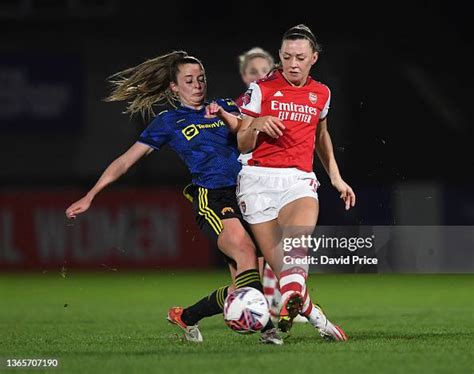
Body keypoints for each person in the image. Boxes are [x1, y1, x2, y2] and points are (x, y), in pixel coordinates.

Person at [65, 51, 282, 345]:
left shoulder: (226, 108)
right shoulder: (169, 121)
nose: (197, 85)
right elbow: (126, 161)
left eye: (201, 79)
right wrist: (91, 195)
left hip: (248, 194)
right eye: (189, 80)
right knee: (244, 250)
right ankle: (268, 329)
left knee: (243, 284)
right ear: (174, 87)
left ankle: (187, 316)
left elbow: (256, 126)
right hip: (212, 196)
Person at [235, 24, 355, 340]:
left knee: (296, 247)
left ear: (313, 57)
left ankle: (291, 305)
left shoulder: (322, 93)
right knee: (289, 276)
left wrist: (336, 177)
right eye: (287, 56)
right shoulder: (260, 89)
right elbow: (242, 143)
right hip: (256, 184)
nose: (293, 63)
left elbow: (321, 135)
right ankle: (319, 320)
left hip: (298, 181)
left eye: (300, 57)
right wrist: (257, 123)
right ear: (280, 56)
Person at [236, 46, 307, 324]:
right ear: (244, 75)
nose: (260, 75)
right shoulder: (242, 103)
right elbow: (239, 138)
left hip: (281, 178)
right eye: (253, 71)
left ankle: (280, 300)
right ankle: (268, 303)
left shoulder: (284, 96)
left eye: (264, 70)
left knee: (283, 242)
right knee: (259, 250)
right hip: (250, 177)